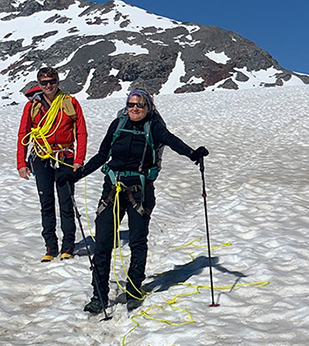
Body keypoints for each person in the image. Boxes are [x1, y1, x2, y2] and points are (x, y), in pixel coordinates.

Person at [67, 88, 207, 314]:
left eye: (140, 105)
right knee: (102, 243)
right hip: (112, 188)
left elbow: (172, 141)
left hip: (140, 191)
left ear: (148, 107)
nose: (135, 108)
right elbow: (103, 156)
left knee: (137, 241)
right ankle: (99, 296)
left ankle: (133, 289)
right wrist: (76, 175)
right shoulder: (118, 125)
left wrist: (193, 154)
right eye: (131, 104)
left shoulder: (154, 126)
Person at [16, 66, 88, 262]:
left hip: (64, 156)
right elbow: (23, 133)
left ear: (58, 82)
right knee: (46, 203)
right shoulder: (33, 106)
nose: (48, 86)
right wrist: (21, 163)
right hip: (41, 157)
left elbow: (81, 132)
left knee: (66, 202)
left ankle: (68, 246)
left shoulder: (70, 102)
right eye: (44, 83)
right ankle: (50, 246)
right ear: (39, 84)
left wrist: (79, 160)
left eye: (52, 82)